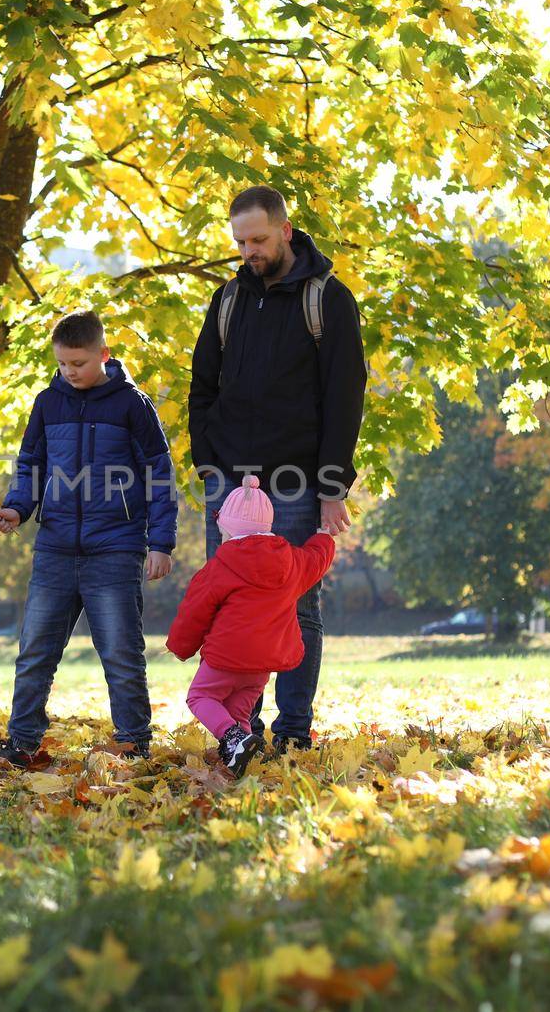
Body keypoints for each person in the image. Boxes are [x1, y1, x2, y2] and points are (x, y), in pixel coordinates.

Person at [188, 184, 367, 753]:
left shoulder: (328, 300)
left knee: (294, 607)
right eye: (240, 241)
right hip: (230, 486)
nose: (249, 250)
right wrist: (208, 463)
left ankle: (292, 732)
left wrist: (332, 485)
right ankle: (241, 731)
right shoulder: (228, 301)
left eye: (259, 239)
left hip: (297, 482)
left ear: (286, 231)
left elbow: (346, 395)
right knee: (231, 608)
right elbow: (202, 386)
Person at [0, 310, 178, 766]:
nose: (71, 372)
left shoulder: (133, 404)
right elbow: (30, 464)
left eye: (79, 363)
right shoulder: (47, 403)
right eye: (63, 364)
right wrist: (17, 508)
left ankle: (133, 743)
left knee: (120, 654)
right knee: (34, 653)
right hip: (55, 548)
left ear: (103, 355)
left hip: (115, 549)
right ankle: (22, 743)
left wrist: (161, 543)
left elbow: (159, 473)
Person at [166, 477, 336, 777]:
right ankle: (241, 762)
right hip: (263, 664)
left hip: (227, 657)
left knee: (201, 698)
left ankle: (232, 738)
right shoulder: (292, 561)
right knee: (238, 712)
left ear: (229, 529)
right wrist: (324, 537)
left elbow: (195, 612)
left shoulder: (219, 567)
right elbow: (316, 559)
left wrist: (181, 647)